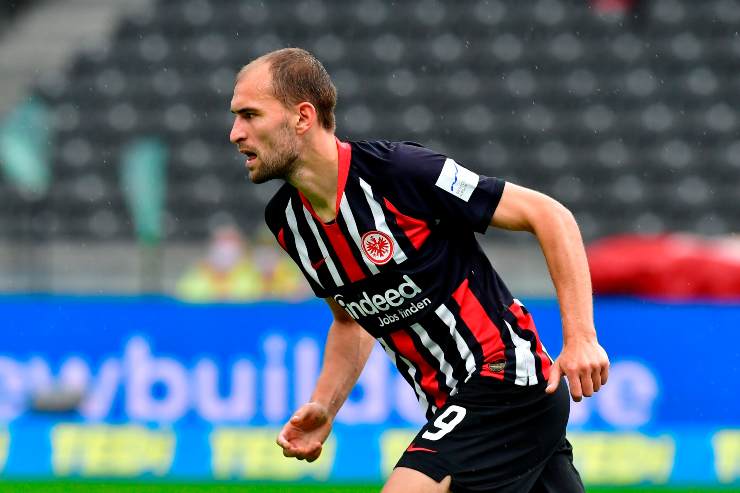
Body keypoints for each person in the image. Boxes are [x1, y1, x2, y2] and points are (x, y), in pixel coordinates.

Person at [228, 48, 609, 493]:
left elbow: (550, 215)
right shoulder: (288, 223)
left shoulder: (400, 173)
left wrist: (581, 336)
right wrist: (325, 406)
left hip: (506, 380)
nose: (236, 133)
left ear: (303, 116)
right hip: (456, 405)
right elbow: (352, 320)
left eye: (250, 115)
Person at [175, 225, 265, 302]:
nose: (226, 252)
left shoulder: (252, 276)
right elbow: (186, 297)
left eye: (231, 246)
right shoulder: (195, 276)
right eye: (221, 244)